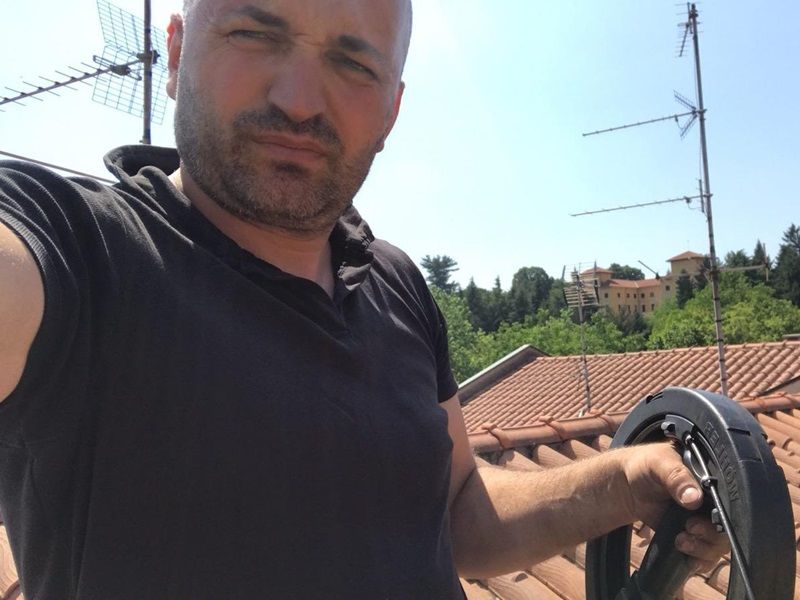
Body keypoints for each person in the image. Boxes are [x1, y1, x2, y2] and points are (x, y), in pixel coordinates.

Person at [0, 0, 726, 598]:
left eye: (352, 63)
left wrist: (623, 479)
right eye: (255, 33)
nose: (298, 100)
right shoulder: (77, 249)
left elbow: (459, 514)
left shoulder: (396, 282)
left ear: (391, 110)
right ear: (177, 50)